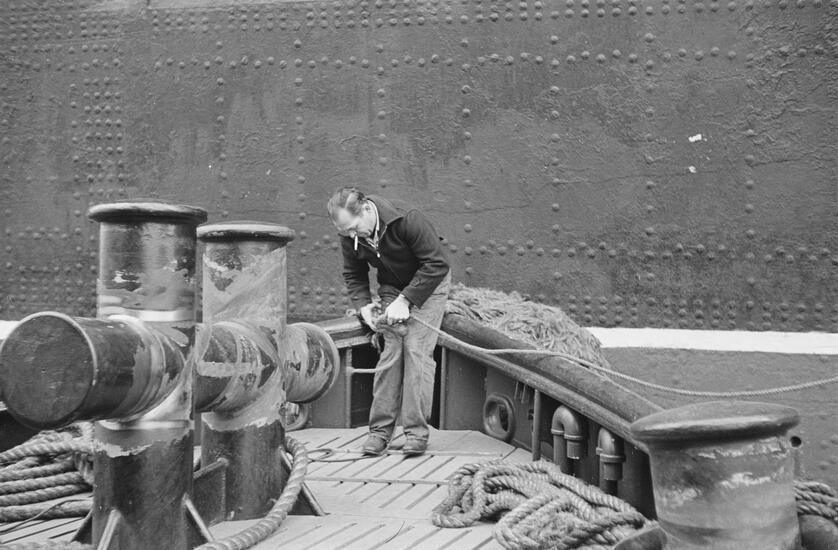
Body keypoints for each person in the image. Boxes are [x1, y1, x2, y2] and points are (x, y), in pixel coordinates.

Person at [327, 187, 451, 456]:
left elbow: (437, 263)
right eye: (346, 232)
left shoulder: (407, 219)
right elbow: (354, 273)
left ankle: (416, 434)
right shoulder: (351, 234)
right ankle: (379, 433)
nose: (352, 236)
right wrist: (363, 306)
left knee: (416, 349)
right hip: (392, 287)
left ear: (367, 209)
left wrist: (406, 300)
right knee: (391, 352)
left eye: (354, 228)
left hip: (430, 283)